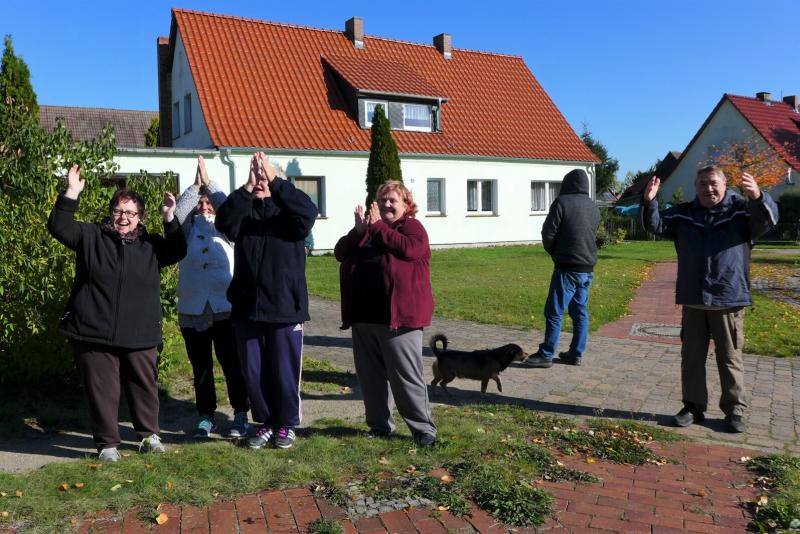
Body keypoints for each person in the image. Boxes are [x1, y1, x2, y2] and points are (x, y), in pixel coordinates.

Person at [47, 165, 187, 461]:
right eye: (118, 211)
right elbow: (59, 227)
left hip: (140, 332)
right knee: (102, 390)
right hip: (93, 331)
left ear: (140, 217)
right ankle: (107, 444)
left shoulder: (151, 245)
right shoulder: (90, 236)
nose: (124, 217)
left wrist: (169, 218)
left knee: (144, 386)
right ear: (111, 213)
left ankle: (148, 436)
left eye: (131, 213)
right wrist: (71, 193)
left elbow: (178, 250)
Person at [641, 166, 778, 433]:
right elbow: (656, 225)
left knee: (729, 358)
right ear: (696, 187)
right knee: (691, 358)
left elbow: (767, 221)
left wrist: (758, 197)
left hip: (728, 297)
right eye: (702, 183)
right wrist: (649, 201)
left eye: (713, 183)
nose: (708, 188)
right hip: (694, 298)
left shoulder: (740, 212)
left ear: (725, 185)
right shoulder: (684, 213)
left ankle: (734, 410)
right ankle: (693, 407)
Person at [215, 152, 317, 449]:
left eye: (265, 178)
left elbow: (308, 212)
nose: (261, 182)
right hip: (247, 311)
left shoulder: (291, 218)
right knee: (254, 373)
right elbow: (224, 222)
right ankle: (266, 422)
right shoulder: (244, 215)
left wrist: (274, 178)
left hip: (284, 309)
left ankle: (286, 423)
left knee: (284, 374)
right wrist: (247, 187)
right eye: (257, 177)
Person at [334, 181, 437, 446]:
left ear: (406, 205)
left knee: (406, 377)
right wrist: (358, 232)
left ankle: (423, 429)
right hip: (364, 317)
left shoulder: (411, 227)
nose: (386, 205)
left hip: (399, 320)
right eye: (382, 200)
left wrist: (378, 227)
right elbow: (340, 253)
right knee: (371, 377)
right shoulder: (367, 231)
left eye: (393, 200)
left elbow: (410, 250)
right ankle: (379, 426)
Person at [175, 156, 250, 439]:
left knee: (233, 365)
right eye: (201, 203)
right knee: (202, 368)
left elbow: (230, 208)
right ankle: (206, 416)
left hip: (225, 308)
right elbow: (177, 215)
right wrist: (195, 188)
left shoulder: (228, 228)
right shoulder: (187, 231)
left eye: (209, 203)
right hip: (193, 309)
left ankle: (240, 413)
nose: (205, 207)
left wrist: (210, 183)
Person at [522, 169, 600, 368]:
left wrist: (555, 253)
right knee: (580, 311)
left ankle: (546, 354)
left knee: (554, 311)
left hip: (567, 268)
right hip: (587, 268)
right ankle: (575, 354)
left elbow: (548, 233)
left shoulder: (562, 202)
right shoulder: (593, 206)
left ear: (567, 184)